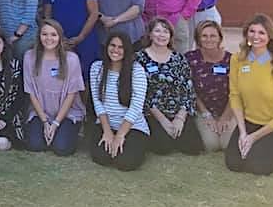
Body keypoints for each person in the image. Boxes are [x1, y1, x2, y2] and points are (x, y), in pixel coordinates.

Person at [225, 13, 273, 175]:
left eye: (262, 32)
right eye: (252, 31)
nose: (256, 36)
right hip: (248, 123)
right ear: (246, 33)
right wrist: (243, 132)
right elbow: (235, 95)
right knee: (233, 164)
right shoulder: (237, 59)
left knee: (258, 167)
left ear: (270, 36)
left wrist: (253, 138)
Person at [134, 17, 203, 155]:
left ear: (171, 36)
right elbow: (140, 93)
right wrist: (163, 121)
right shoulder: (139, 58)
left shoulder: (179, 58)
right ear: (150, 34)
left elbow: (188, 89)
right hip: (154, 112)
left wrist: (180, 118)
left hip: (178, 111)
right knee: (163, 148)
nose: (161, 35)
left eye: (165, 31)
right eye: (157, 31)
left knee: (193, 148)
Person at [23, 20, 86, 156]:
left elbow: (71, 94)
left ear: (60, 37)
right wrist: (45, 122)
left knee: (61, 148)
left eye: (53, 35)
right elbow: (31, 92)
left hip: (67, 112)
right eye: (44, 34)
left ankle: (66, 132)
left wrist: (56, 123)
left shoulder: (71, 59)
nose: (49, 38)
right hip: (41, 112)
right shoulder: (29, 57)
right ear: (39, 36)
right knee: (35, 145)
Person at [89, 32, 150, 171]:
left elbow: (136, 106)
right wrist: (107, 131)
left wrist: (120, 135)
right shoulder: (96, 68)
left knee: (125, 162)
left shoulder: (137, 70)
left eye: (121, 47)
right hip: (106, 123)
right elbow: (97, 102)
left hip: (132, 126)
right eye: (113, 45)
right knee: (101, 158)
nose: (116, 50)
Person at [43, 0, 100, 80]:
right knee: (61, 76)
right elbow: (48, 16)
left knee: (85, 76)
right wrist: (58, 38)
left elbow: (94, 13)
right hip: (58, 40)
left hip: (85, 39)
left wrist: (81, 37)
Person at [185, 20, 234, 152]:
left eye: (213, 36)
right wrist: (206, 114)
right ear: (198, 38)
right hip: (203, 110)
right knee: (211, 145)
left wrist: (226, 116)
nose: (209, 39)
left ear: (219, 38)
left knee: (227, 144)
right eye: (204, 36)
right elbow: (190, 90)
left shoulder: (232, 60)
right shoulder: (190, 59)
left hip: (228, 109)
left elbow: (236, 91)